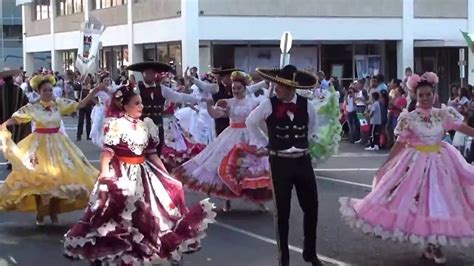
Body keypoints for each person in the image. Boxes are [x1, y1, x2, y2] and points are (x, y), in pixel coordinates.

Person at [64, 90, 215, 266]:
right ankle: (119, 252)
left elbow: (152, 154)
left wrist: (165, 174)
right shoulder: (116, 125)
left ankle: (147, 249)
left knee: (151, 211)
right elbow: (108, 152)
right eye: (137, 103)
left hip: (144, 172)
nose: (141, 107)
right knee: (120, 213)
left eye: (141, 103)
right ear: (125, 106)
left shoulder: (146, 125)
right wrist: (105, 173)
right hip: (122, 172)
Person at [340, 72, 474, 264]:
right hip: (417, 164)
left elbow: (462, 127)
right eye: (421, 95)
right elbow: (400, 144)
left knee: (440, 202)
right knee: (419, 203)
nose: (426, 98)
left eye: (429, 94)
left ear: (434, 94)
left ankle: (434, 243)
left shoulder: (442, 114)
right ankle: (430, 243)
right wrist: (386, 164)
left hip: (442, 163)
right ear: (415, 97)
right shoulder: (409, 118)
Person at [246, 65, 322, 266]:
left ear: (291, 88)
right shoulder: (269, 104)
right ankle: (284, 258)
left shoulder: (307, 105)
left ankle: (310, 252)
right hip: (280, 162)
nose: (276, 88)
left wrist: (304, 143)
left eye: (280, 85)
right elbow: (250, 121)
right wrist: (264, 143)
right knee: (282, 212)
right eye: (276, 84)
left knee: (312, 206)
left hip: (302, 160)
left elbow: (313, 127)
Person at [0, 74, 101, 225]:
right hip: (38, 146)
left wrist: (93, 92)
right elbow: (18, 117)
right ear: (39, 92)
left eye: (50, 90)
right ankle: (41, 211)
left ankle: (53, 213)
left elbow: (79, 105)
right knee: (36, 181)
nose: (48, 93)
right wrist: (5, 124)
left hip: (58, 145)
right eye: (45, 91)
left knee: (58, 182)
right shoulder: (33, 107)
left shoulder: (58, 104)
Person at [174, 71, 273, 211]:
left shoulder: (253, 103)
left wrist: (266, 137)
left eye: (239, 88)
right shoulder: (228, 103)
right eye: (234, 88)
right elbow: (216, 114)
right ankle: (227, 199)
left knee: (251, 167)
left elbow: (261, 120)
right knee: (226, 166)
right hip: (232, 135)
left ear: (245, 88)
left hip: (251, 136)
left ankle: (258, 200)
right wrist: (209, 105)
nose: (236, 91)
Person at [126, 62, 207, 155]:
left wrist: (200, 99)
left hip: (158, 126)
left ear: (156, 75)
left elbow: (179, 97)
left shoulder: (162, 89)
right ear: (142, 74)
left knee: (158, 152)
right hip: (142, 128)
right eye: (147, 73)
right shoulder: (137, 89)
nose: (149, 75)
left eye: (152, 73)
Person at [188, 65, 268, 136]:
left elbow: (252, 88)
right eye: (225, 76)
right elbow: (204, 86)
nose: (228, 78)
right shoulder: (216, 88)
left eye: (229, 76)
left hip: (240, 125)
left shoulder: (240, 88)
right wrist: (193, 79)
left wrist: (265, 82)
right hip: (221, 121)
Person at [0, 68, 31, 170]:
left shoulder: (1, 90)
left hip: (3, 120)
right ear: (12, 79)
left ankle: (9, 159)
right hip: (16, 120)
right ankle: (14, 159)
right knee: (17, 140)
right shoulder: (18, 90)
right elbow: (25, 103)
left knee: (6, 141)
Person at [76, 74, 94, 141]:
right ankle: (78, 135)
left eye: (88, 78)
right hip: (81, 104)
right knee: (81, 120)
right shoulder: (80, 86)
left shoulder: (91, 87)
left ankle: (88, 135)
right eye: (86, 78)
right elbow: (76, 88)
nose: (87, 80)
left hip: (88, 105)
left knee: (88, 120)